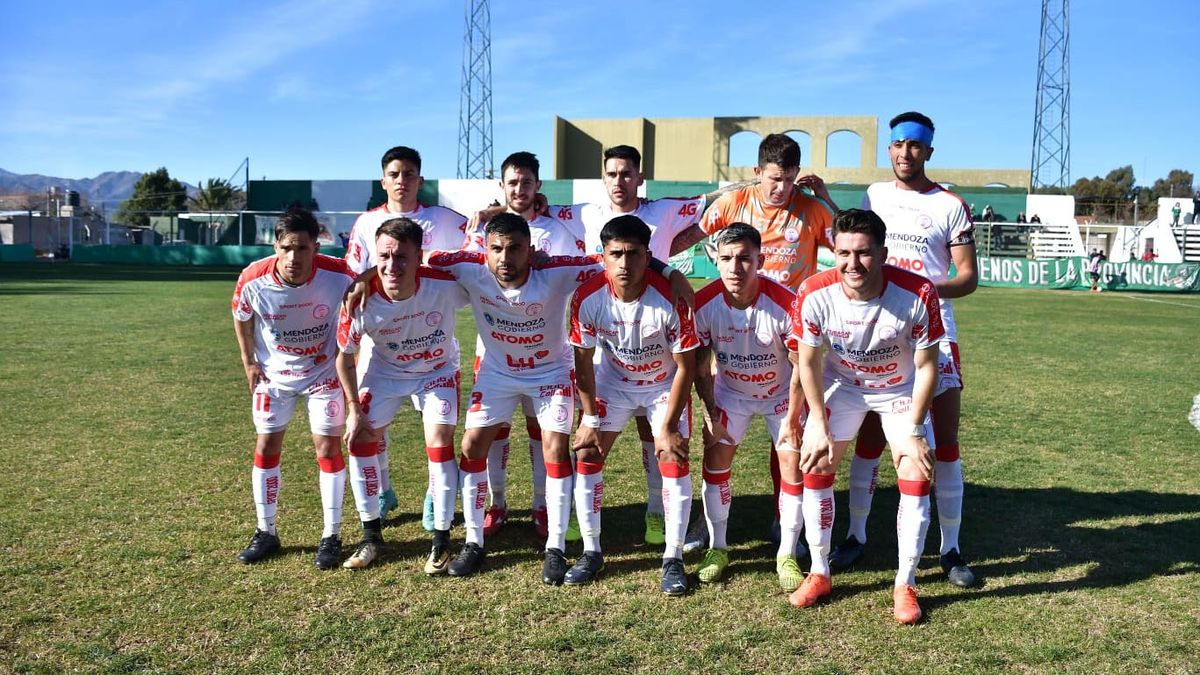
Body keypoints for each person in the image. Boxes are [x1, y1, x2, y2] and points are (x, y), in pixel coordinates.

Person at [422, 213, 690, 580]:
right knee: (471, 446)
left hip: (551, 373)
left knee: (558, 450)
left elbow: (610, 259)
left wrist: (670, 271)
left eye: (516, 248)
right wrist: (370, 278)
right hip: (499, 372)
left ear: (532, 251)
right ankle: (473, 542)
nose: (505, 258)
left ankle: (559, 547)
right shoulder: (469, 265)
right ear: (484, 250)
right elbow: (423, 257)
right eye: (496, 249)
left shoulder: (559, 271)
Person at [829, 111, 979, 589]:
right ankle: (855, 535)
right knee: (871, 436)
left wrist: (921, 289)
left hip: (934, 331)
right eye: (897, 144)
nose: (904, 153)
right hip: (876, 332)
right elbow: (849, 239)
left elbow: (967, 277)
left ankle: (950, 549)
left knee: (947, 444)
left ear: (928, 151)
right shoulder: (874, 196)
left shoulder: (950, 205)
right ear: (889, 149)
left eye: (914, 145)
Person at [671, 132, 836, 551]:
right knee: (715, 435)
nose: (780, 188)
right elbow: (685, 239)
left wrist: (829, 199)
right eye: (773, 178)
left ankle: (785, 524)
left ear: (798, 175)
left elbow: (852, 245)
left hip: (789, 330)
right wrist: (650, 257)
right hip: (733, 319)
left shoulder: (812, 209)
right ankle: (702, 526)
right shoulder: (733, 203)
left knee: (788, 440)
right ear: (757, 172)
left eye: (789, 179)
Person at [780, 208, 943, 624]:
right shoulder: (815, 292)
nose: (853, 264)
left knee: (917, 470)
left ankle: (904, 583)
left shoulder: (918, 292)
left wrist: (916, 430)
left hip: (899, 390)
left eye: (864, 253)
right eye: (843, 252)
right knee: (816, 459)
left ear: (883, 253)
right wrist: (816, 421)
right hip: (845, 387)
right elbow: (809, 364)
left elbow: (927, 367)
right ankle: (819, 571)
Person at [569, 215, 699, 595]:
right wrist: (590, 418)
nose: (624, 264)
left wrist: (669, 425)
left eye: (633, 254)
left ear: (647, 256)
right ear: (604, 256)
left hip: (662, 385)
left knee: (673, 458)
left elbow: (686, 368)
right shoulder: (587, 297)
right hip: (614, 383)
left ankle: (672, 557)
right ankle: (591, 552)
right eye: (616, 254)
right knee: (588, 453)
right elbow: (582, 363)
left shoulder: (671, 298)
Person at [463, 151, 587, 541]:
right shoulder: (482, 227)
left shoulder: (556, 230)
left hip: (545, 352)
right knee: (493, 431)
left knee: (542, 431)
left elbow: (579, 274)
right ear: (502, 187)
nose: (519, 189)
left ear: (538, 187)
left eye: (527, 183)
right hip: (494, 351)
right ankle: (495, 504)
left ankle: (541, 505)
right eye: (512, 183)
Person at [343, 146, 469, 529]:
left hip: (430, 335)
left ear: (420, 179)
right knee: (370, 426)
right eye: (394, 174)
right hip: (382, 339)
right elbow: (354, 272)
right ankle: (382, 490)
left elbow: (479, 241)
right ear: (384, 180)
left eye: (409, 174)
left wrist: (495, 210)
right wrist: (365, 281)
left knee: (439, 431)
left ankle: (436, 494)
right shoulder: (366, 223)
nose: (402, 181)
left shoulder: (443, 219)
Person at [335, 217, 469, 573]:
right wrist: (353, 410)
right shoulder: (358, 302)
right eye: (384, 256)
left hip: (437, 373)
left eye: (402, 257)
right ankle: (371, 537)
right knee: (360, 440)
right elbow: (344, 360)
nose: (392, 266)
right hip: (384, 374)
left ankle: (441, 542)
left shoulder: (446, 285)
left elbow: (486, 271)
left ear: (418, 256)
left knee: (439, 443)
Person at [230, 207, 359, 570]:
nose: (294, 257)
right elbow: (241, 316)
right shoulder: (253, 278)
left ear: (316, 247)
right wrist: (249, 362)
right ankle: (265, 531)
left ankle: (330, 536)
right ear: (275, 245)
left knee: (327, 448)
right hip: (274, 377)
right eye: (287, 247)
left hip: (323, 373)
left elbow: (364, 289)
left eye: (303, 248)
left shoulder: (338, 275)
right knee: (267, 445)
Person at [691, 223, 804, 590]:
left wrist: (791, 417)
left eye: (744, 259)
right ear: (716, 259)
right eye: (726, 258)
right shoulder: (705, 303)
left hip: (781, 397)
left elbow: (801, 365)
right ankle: (718, 547)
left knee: (792, 464)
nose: (735, 268)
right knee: (716, 461)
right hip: (731, 394)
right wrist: (709, 411)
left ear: (761, 259)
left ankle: (787, 552)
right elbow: (699, 364)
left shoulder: (785, 304)